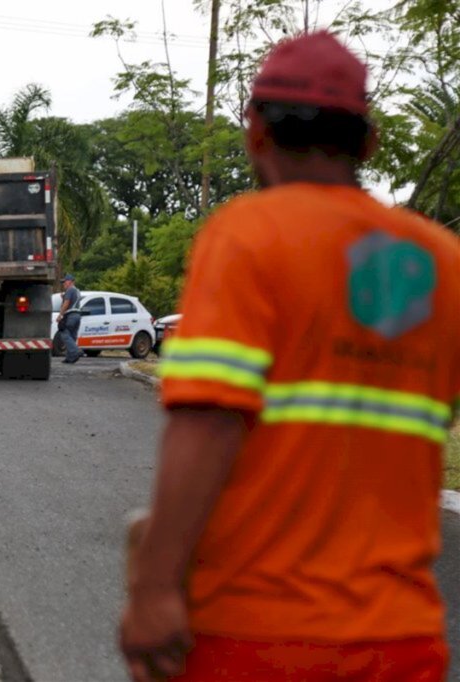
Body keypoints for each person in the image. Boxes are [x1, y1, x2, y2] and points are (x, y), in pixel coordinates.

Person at [118, 31, 459, 681]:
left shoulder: (250, 236)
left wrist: (154, 587)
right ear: (369, 142)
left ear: (254, 133)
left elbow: (209, 423)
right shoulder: (441, 263)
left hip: (257, 636)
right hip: (403, 641)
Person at [56, 273, 82, 364]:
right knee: (72, 336)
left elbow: (67, 303)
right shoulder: (77, 290)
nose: (63, 284)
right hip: (78, 315)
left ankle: (76, 351)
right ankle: (71, 357)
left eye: (65, 282)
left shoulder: (70, 290)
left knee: (64, 333)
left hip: (70, 315)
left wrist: (60, 315)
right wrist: (64, 297)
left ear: (70, 282)